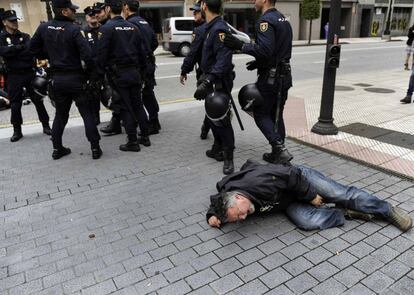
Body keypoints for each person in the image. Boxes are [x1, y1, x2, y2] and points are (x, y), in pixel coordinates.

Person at [206, 160, 413, 232]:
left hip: (300, 180)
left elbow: (289, 174)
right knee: (306, 222)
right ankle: (345, 213)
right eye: (237, 218)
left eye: (241, 214)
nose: (244, 218)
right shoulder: (229, 198)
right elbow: (216, 202)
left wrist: (311, 195)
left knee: (340, 194)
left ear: (240, 199)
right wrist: (213, 216)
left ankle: (387, 210)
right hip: (285, 199)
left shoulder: (259, 183)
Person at [30, 0, 102, 160]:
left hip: (58, 79)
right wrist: (91, 75)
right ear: (63, 11)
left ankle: (57, 148)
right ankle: (95, 148)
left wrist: (48, 55)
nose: (74, 12)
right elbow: (88, 55)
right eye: (72, 10)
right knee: (87, 113)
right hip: (76, 78)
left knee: (61, 115)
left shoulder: (44, 28)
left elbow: (32, 49)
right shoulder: (74, 29)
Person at [223, 0, 293, 164]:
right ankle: (277, 153)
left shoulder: (265, 20)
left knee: (260, 113)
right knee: (276, 115)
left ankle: (279, 150)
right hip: (284, 76)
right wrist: (259, 63)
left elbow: (266, 50)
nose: (254, 1)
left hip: (271, 79)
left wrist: (241, 45)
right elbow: (277, 51)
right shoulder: (283, 19)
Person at [96, 0, 149, 152]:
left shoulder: (106, 28)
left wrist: (99, 75)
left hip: (119, 74)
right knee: (138, 104)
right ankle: (145, 136)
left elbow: (101, 55)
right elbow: (142, 53)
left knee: (125, 107)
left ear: (107, 9)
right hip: (135, 72)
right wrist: (143, 74)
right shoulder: (133, 27)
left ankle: (132, 141)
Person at [194, 0, 235, 175]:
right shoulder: (210, 27)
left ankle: (229, 159)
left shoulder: (219, 28)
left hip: (218, 81)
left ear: (204, 5)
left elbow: (223, 60)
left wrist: (208, 81)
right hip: (211, 79)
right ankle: (217, 148)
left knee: (222, 120)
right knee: (212, 116)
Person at [0, 10, 51, 142]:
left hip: (29, 73)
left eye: (16, 20)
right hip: (13, 75)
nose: (15, 23)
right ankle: (17, 130)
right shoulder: (1, 38)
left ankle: (46, 125)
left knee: (38, 101)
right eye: (11, 21)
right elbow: (4, 52)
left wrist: (14, 50)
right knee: (15, 104)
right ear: (4, 22)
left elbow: (29, 51)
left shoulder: (25, 36)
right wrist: (19, 48)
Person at [123, 0, 160, 135]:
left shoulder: (129, 24)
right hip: (149, 63)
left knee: (143, 96)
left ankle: (152, 124)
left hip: (140, 65)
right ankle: (154, 121)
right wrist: (149, 52)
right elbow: (155, 42)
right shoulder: (145, 22)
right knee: (149, 92)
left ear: (127, 8)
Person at [180, 0, 211, 141]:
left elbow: (192, 53)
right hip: (218, 72)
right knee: (214, 101)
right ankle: (207, 127)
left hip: (206, 73)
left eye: (197, 11)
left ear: (204, 13)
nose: (194, 13)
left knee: (210, 102)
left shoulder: (199, 30)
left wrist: (184, 71)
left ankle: (206, 128)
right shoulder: (215, 26)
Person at [83, 5, 101, 125]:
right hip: (91, 70)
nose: (93, 16)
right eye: (90, 15)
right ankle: (95, 117)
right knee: (93, 96)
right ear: (86, 18)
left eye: (95, 14)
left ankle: (118, 117)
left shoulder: (104, 29)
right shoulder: (82, 32)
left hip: (106, 67)